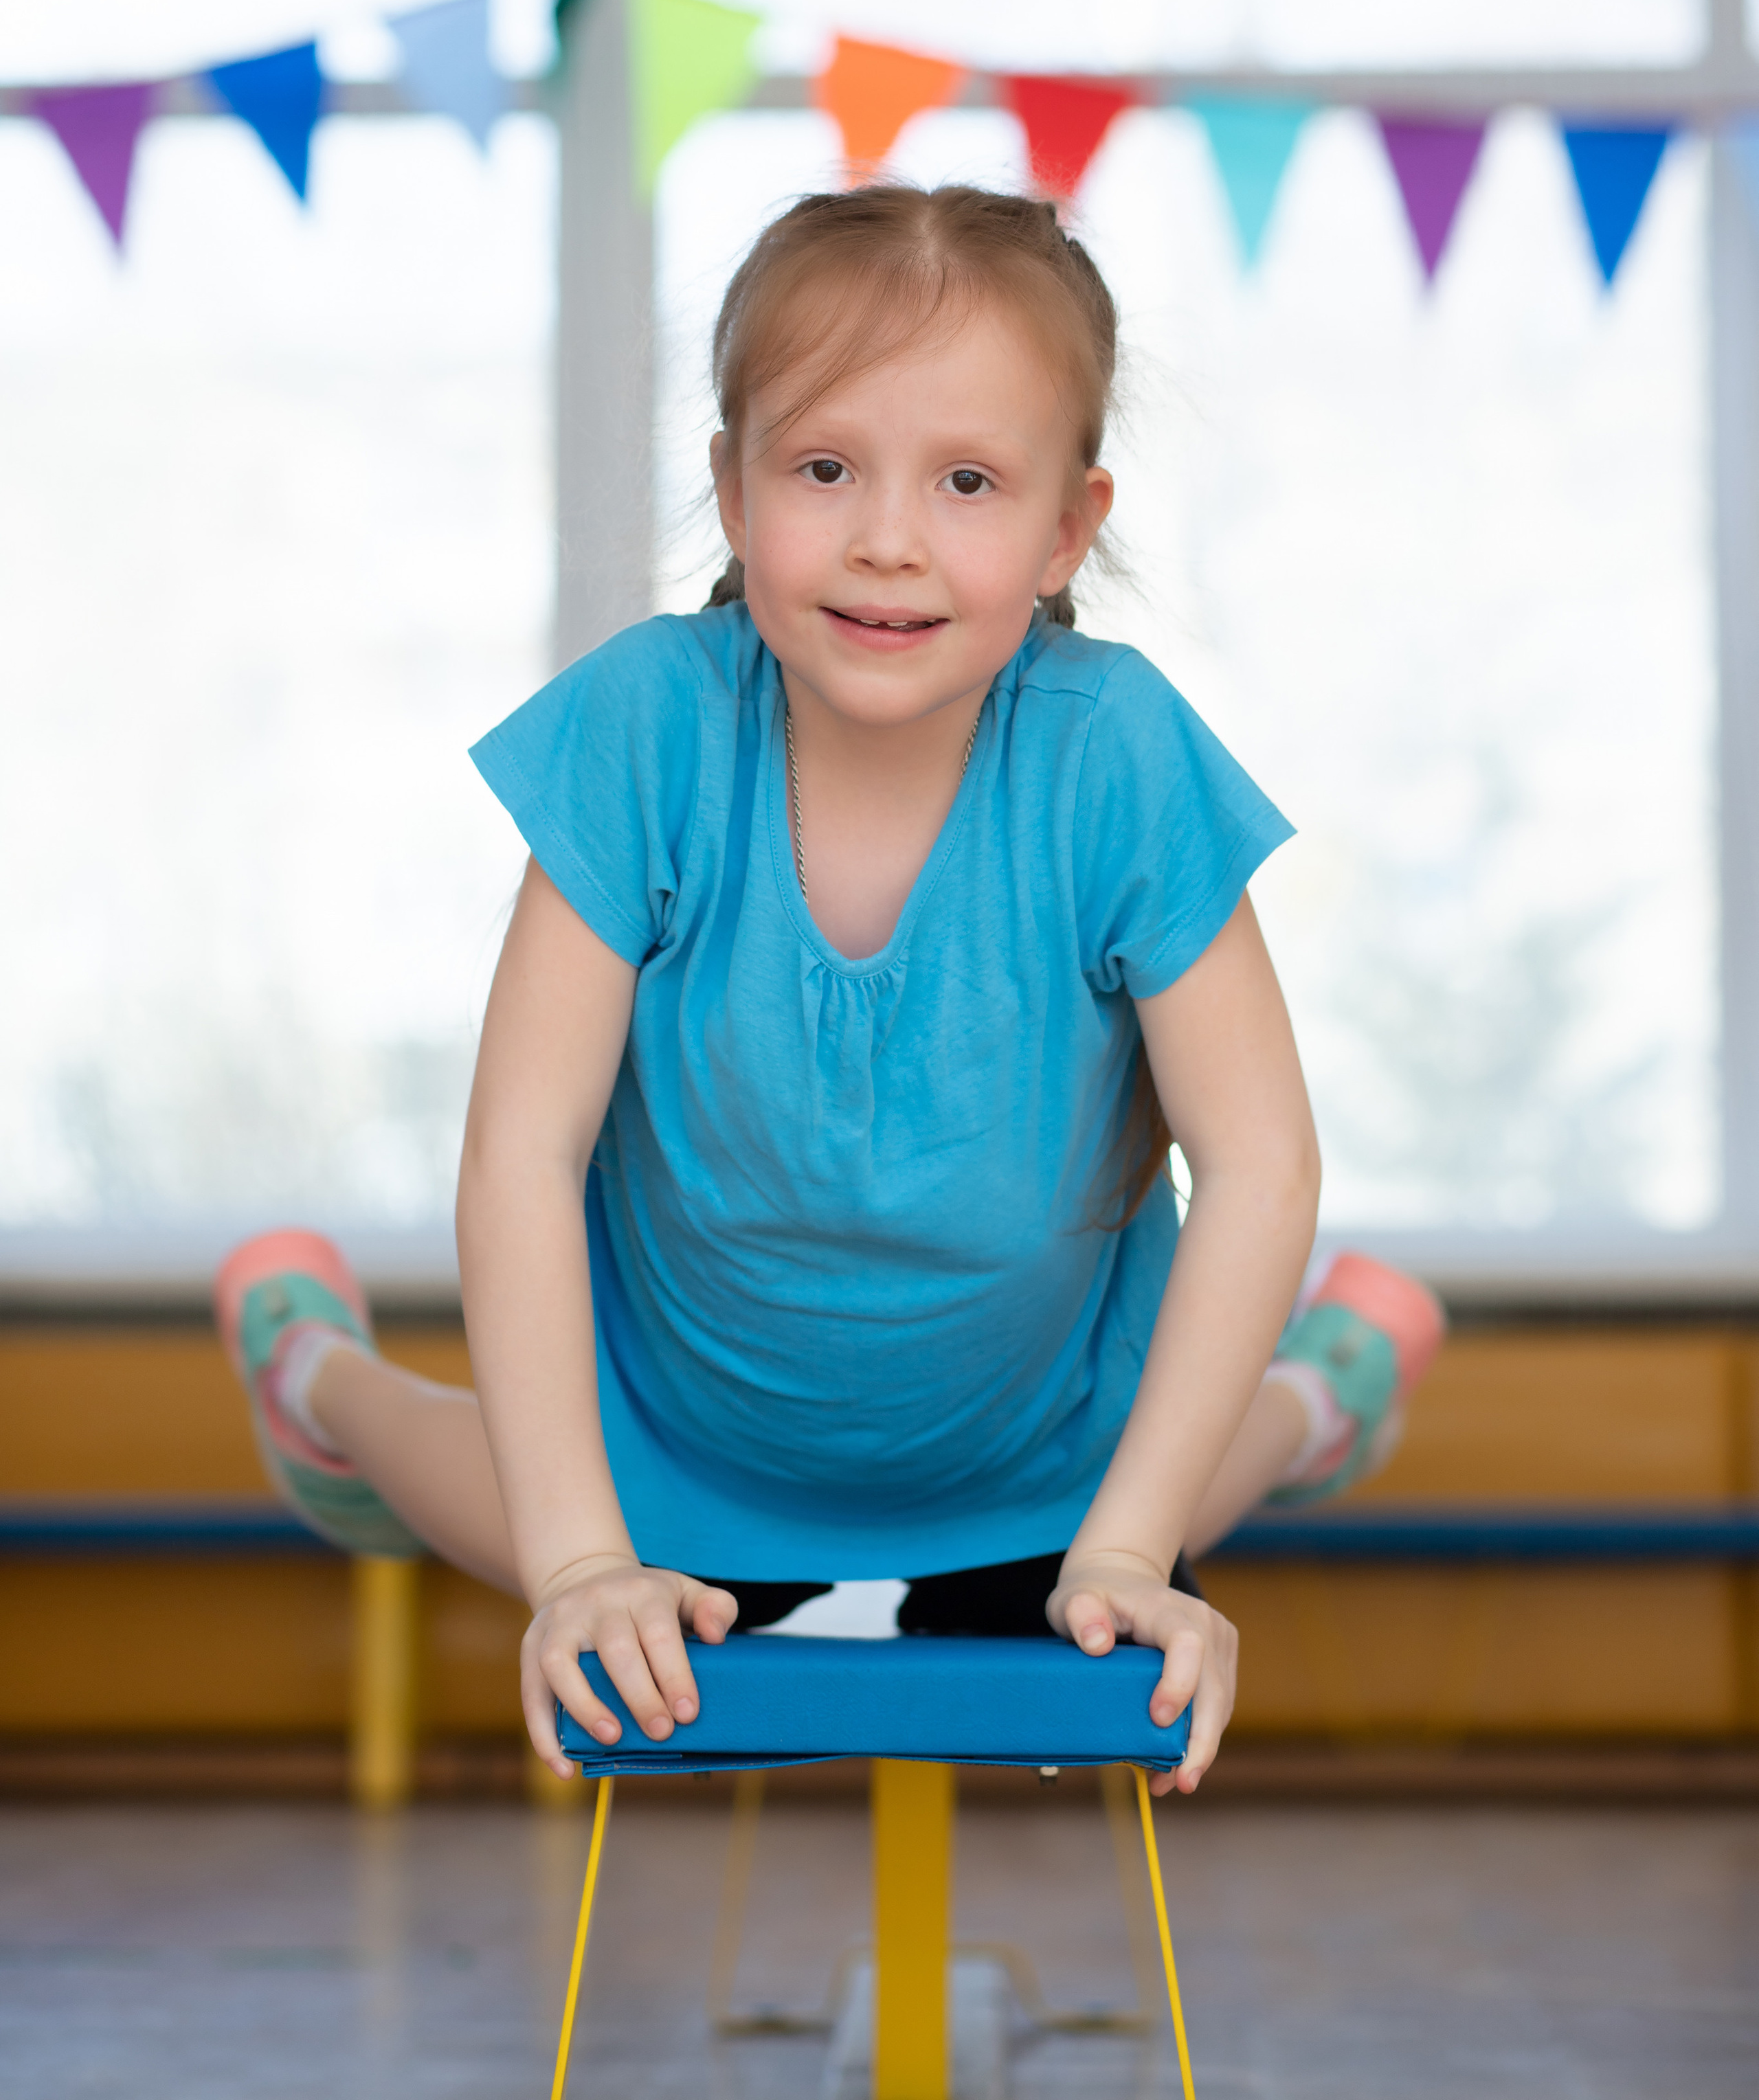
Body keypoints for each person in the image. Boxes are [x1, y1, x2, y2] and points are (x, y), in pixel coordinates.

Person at [214, 185, 1442, 1799]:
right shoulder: (647, 726)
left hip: (1044, 1463)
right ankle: (312, 1375)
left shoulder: (1115, 751)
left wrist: (1129, 1547)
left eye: (966, 482)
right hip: (676, 1457)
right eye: (822, 470)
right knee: (464, 1482)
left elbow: (1262, 1164)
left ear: (1065, 529)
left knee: (1185, 1489)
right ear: (731, 488)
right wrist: (580, 1563)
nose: (886, 538)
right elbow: (521, 1148)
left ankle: (1321, 1392)